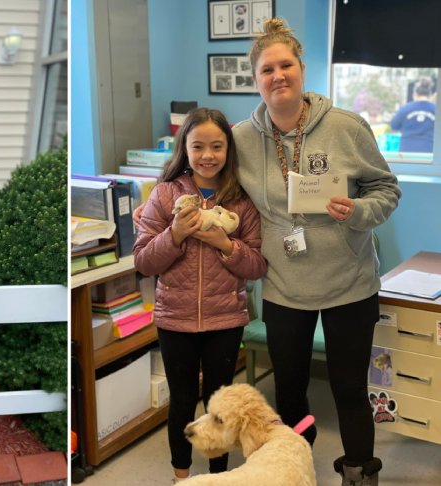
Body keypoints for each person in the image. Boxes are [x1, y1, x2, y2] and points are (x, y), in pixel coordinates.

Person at [232, 18, 401, 486]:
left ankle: (360, 472)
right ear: (256, 80)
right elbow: (203, 169)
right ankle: (295, 464)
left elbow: (387, 190)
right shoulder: (242, 139)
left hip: (350, 283)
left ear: (302, 70)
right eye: (267, 69)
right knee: (290, 391)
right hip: (286, 288)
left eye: (286, 65)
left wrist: (359, 210)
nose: (278, 76)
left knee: (350, 388)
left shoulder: (346, 127)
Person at [133, 108, 267, 483]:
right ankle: (182, 476)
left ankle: (217, 476)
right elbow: (143, 261)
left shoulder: (242, 200)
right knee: (182, 402)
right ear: (185, 149)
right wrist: (174, 235)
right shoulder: (165, 194)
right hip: (174, 318)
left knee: (218, 405)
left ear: (229, 150)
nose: (208, 155)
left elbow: (257, 265)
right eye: (198, 146)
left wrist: (226, 245)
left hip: (226, 319)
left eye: (217, 146)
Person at [390, 76, 436, 152]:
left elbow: (394, 125)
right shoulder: (436, 110)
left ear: (415, 94)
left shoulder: (405, 109)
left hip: (407, 154)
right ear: (430, 95)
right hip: (430, 154)